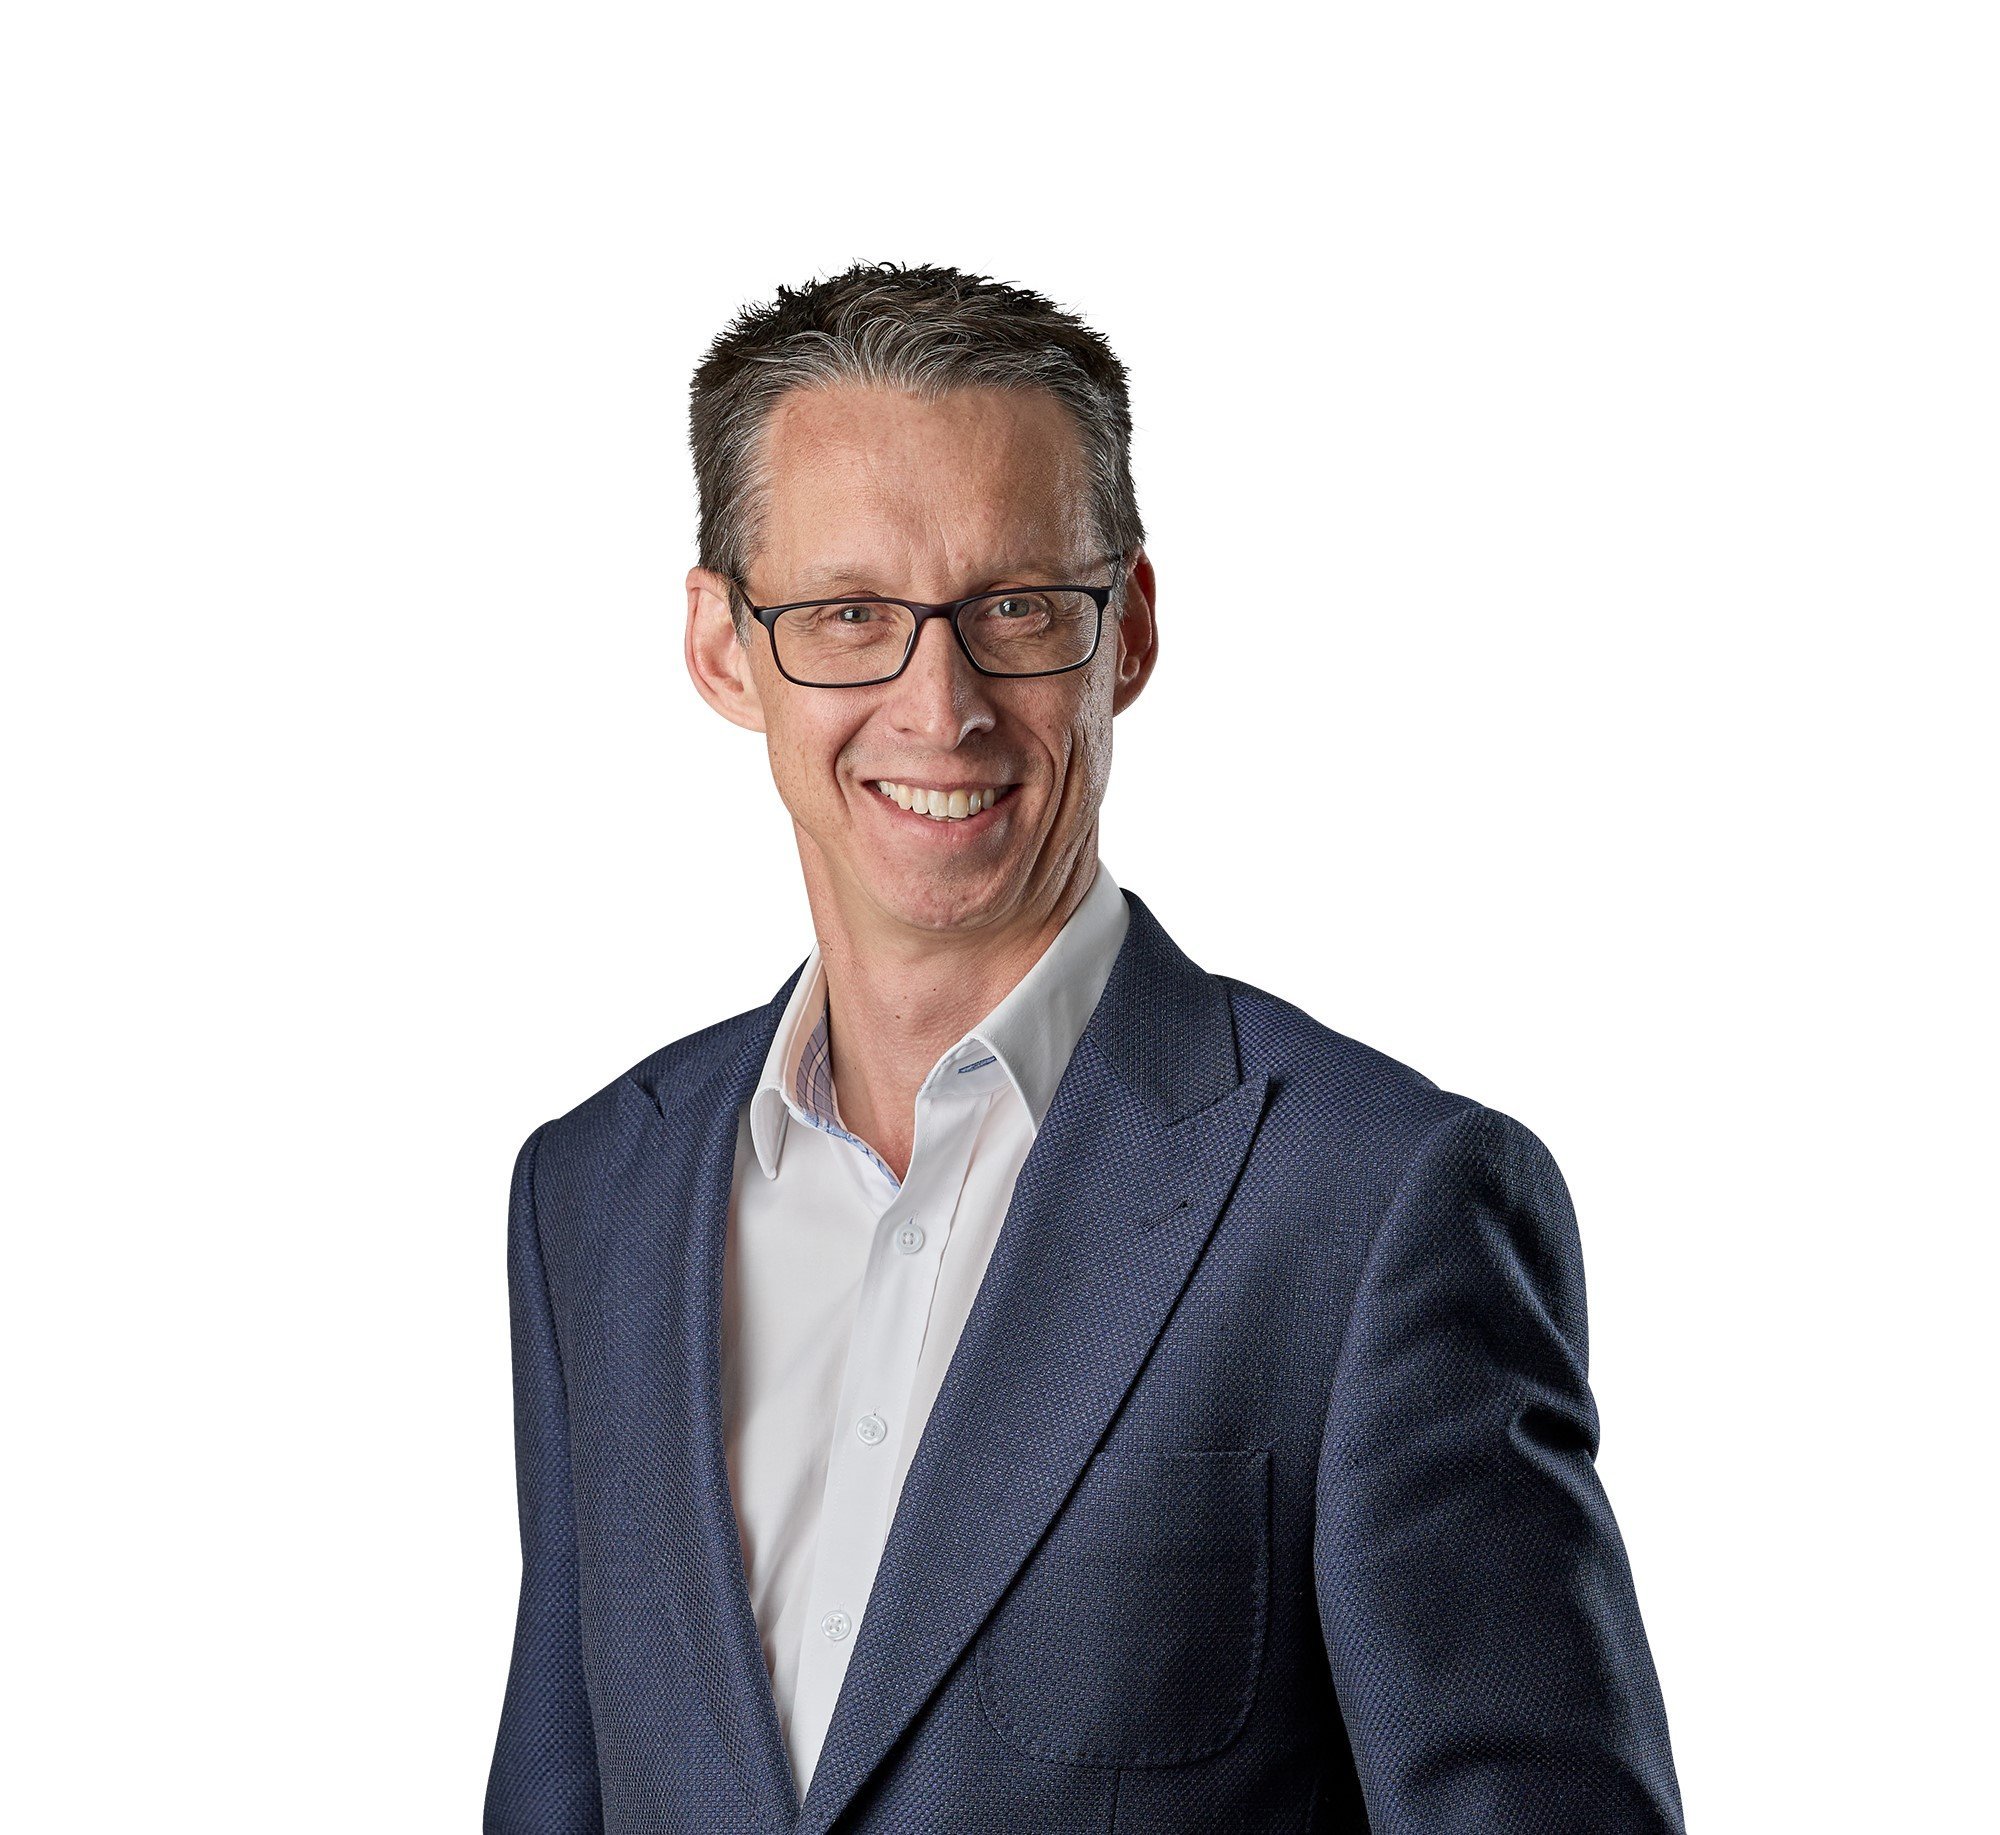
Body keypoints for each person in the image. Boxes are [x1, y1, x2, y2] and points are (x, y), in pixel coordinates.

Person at [483, 261, 1685, 1834]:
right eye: (849, 615)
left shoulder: (1378, 1206)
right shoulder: (596, 1195)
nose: (941, 705)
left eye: (1018, 611)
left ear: (1128, 633)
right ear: (723, 645)